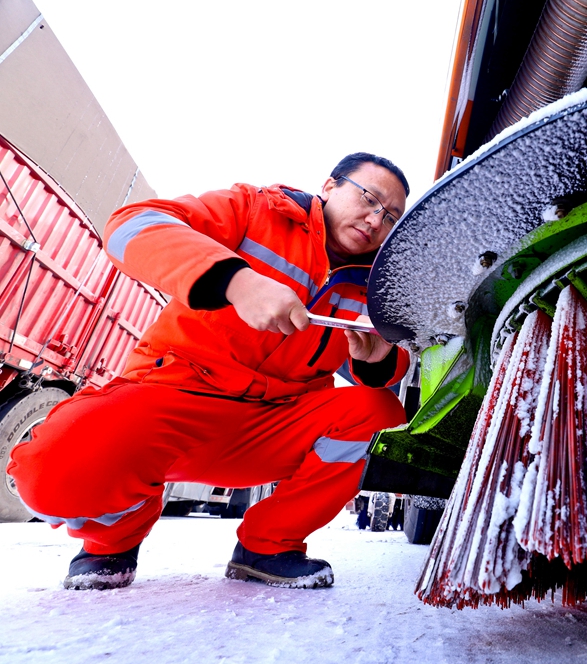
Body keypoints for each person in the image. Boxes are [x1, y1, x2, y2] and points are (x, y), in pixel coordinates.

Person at [7, 152, 412, 590]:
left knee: (377, 412)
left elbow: (396, 365)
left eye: (390, 217)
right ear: (331, 187)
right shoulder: (256, 210)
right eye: (369, 198)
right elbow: (131, 226)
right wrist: (238, 281)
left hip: (269, 425)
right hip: (173, 401)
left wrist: (378, 360)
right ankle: (112, 540)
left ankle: (269, 545)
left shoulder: (379, 286)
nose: (375, 220)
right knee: (52, 470)